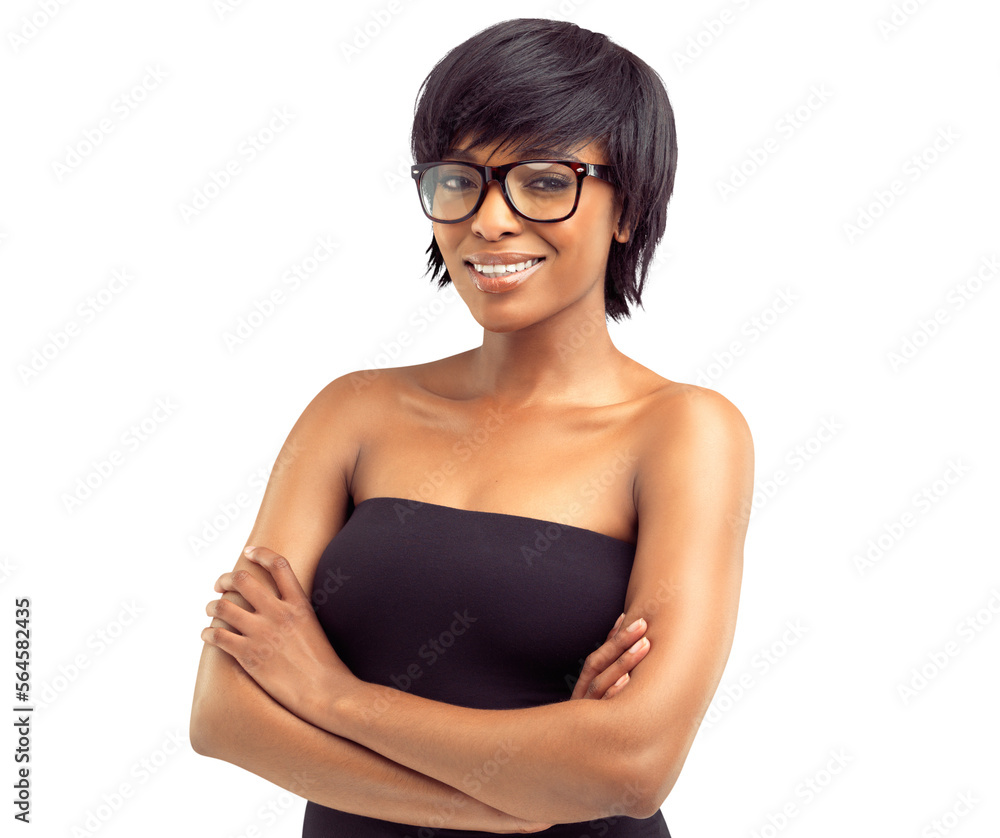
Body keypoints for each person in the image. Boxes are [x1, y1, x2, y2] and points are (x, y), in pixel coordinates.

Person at [190, 17, 753, 837]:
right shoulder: (353, 411)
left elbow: (632, 764)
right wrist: (518, 798)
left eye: (542, 179)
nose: (489, 221)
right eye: (460, 180)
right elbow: (224, 715)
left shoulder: (685, 433)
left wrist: (330, 696)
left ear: (626, 206)